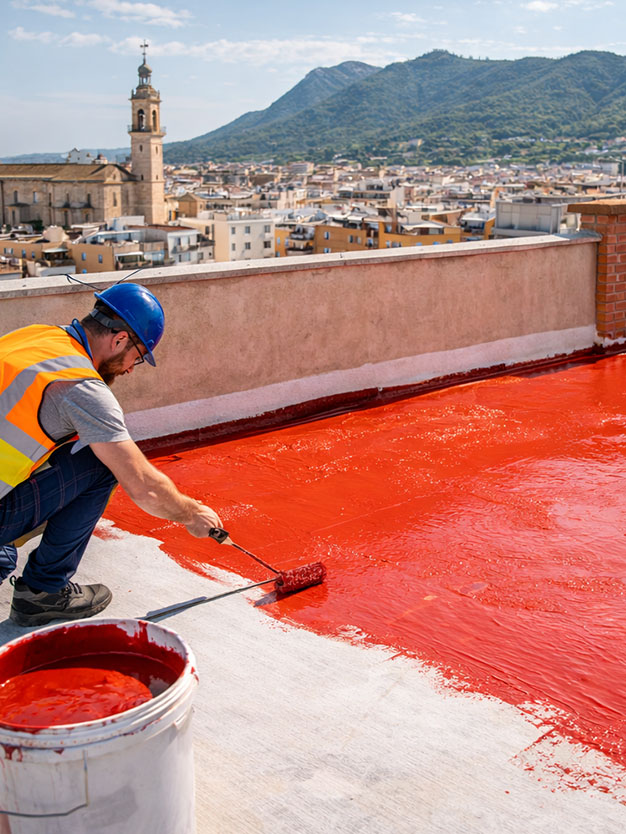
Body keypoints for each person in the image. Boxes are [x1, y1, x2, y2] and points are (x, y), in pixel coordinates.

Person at [0, 282, 222, 626]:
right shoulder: (80, 386)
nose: (131, 369)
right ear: (119, 339)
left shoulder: (36, 336)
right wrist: (191, 514)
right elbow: (143, 485)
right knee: (103, 465)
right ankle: (42, 593)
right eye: (136, 357)